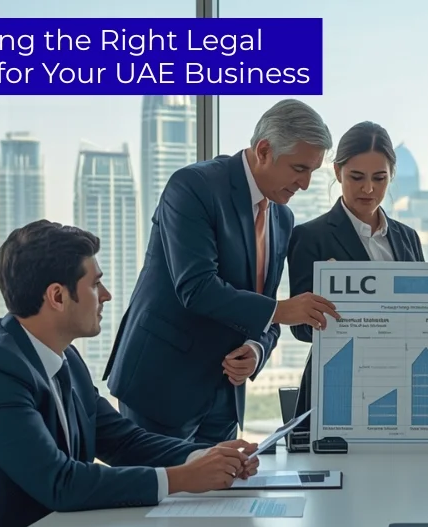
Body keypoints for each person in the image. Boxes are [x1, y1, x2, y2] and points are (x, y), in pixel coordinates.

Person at [0, 221, 259, 527]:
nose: (107, 295)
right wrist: (182, 478)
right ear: (57, 296)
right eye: (95, 284)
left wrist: (205, 455)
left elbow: (122, 441)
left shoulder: (63, 356)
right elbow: (60, 482)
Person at [104, 99, 340, 444]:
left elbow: (264, 307)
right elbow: (197, 287)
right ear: (264, 150)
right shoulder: (193, 186)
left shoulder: (281, 218)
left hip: (225, 396)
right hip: (162, 386)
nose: (304, 184)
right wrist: (282, 311)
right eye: (299, 168)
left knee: (225, 482)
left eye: (312, 172)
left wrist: (256, 350)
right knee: (164, 482)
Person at [286, 121, 425, 420]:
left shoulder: (408, 238)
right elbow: (299, 328)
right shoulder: (309, 237)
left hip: (400, 381)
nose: (368, 188)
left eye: (379, 178)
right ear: (337, 172)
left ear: (391, 175)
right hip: (337, 383)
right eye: (357, 177)